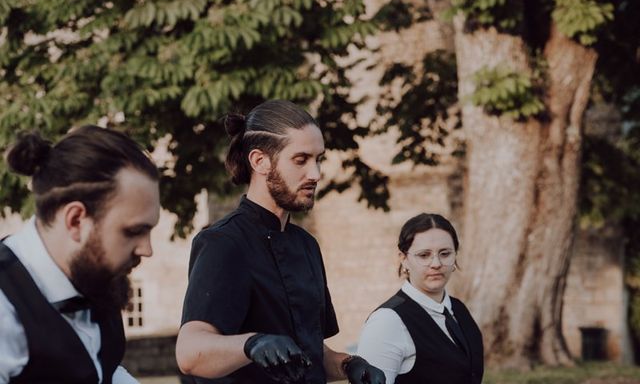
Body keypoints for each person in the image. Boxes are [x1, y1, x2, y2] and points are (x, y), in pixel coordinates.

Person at [176, 99, 385, 384]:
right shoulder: (223, 243)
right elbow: (190, 353)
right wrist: (252, 344)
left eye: (318, 159)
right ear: (259, 161)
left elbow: (311, 354)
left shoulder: (307, 245)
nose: (316, 174)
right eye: (301, 160)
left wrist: (350, 365)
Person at [0, 125, 161, 384]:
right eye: (133, 231)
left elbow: (103, 371)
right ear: (76, 220)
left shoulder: (96, 276)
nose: (147, 249)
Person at [356, 213, 483, 384]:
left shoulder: (459, 309)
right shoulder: (387, 321)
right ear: (404, 259)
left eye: (445, 254)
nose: (436, 263)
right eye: (424, 255)